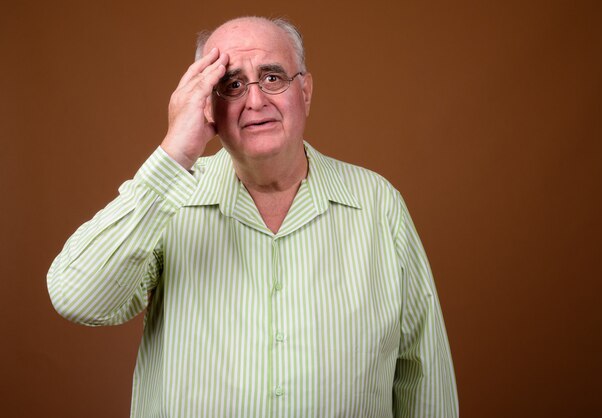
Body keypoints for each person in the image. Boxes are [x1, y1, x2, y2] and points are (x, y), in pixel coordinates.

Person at [47, 16, 458, 417]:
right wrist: (175, 152)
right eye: (233, 85)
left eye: (273, 77)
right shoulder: (168, 201)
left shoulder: (378, 203)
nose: (256, 100)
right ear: (206, 103)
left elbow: (424, 379)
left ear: (306, 91)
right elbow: (78, 298)